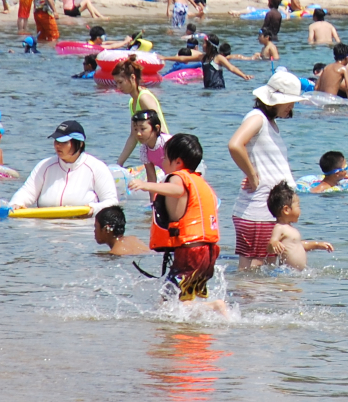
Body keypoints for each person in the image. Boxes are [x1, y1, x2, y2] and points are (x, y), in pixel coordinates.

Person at [129, 133, 226, 307]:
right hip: (207, 252)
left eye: (165, 157)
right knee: (183, 302)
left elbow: (176, 189)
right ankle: (212, 313)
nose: (163, 162)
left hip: (190, 252)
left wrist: (145, 185)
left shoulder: (178, 177)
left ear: (178, 162)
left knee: (169, 303)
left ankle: (215, 306)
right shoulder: (199, 182)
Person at [228, 68, 304, 267]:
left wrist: (252, 172)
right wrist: (252, 176)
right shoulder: (258, 118)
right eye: (290, 101)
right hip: (258, 210)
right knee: (253, 270)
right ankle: (241, 298)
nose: (292, 106)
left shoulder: (268, 122)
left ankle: (251, 298)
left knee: (260, 271)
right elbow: (235, 144)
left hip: (264, 209)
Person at [11, 120, 120, 210]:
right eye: (56, 141)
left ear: (80, 144)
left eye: (63, 142)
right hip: (45, 233)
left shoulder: (96, 168)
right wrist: (16, 203)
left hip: (81, 230)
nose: (58, 145)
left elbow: (112, 202)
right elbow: (26, 192)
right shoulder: (44, 166)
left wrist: (93, 208)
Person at [113, 58, 167, 166]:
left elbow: (162, 131)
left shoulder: (144, 98)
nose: (118, 87)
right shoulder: (132, 102)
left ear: (132, 78)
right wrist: (118, 164)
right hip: (151, 153)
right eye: (116, 83)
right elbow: (134, 136)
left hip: (163, 153)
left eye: (120, 82)